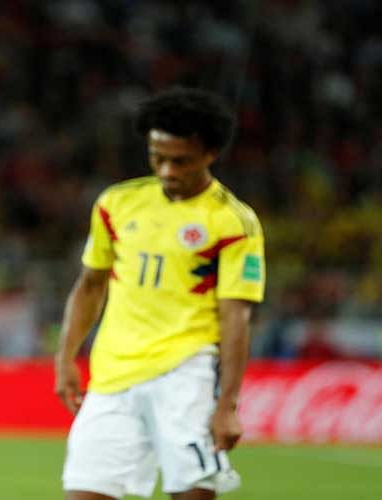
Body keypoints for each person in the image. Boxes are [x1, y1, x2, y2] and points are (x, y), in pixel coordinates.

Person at [55, 87, 265, 500]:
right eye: (158, 157)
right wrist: (65, 358)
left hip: (185, 373)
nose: (167, 170)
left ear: (209, 153)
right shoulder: (117, 203)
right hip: (112, 375)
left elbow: (235, 314)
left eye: (180, 160)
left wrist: (227, 405)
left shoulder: (232, 221)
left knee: (191, 493)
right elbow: (90, 285)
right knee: (83, 492)